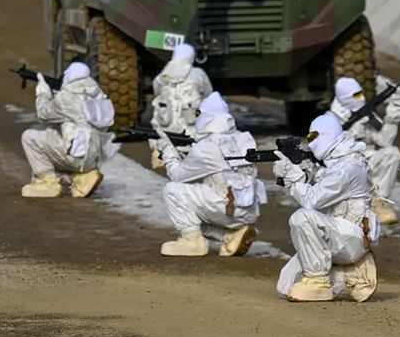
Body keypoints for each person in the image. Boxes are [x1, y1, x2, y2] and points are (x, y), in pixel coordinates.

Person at [273, 114, 381, 302]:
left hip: (352, 236)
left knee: (302, 217)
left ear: (328, 135)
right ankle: (351, 275)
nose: (311, 142)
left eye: (314, 136)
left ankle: (318, 282)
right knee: (286, 285)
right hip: (336, 233)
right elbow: (324, 185)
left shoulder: (347, 168)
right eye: (309, 138)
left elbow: (312, 200)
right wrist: (306, 172)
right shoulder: (336, 162)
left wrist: (294, 179)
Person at [156, 107, 263, 257]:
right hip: (249, 210)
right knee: (196, 208)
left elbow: (177, 175)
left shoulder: (208, 146)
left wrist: (168, 149)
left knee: (173, 190)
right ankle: (230, 235)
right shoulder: (242, 138)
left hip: (228, 208)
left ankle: (191, 242)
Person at [20, 62, 115, 198]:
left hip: (76, 155)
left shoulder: (67, 97)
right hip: (93, 159)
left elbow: (43, 114)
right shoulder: (99, 96)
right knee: (55, 134)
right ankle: (79, 178)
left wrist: (43, 93)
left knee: (30, 137)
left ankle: (47, 182)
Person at [326, 77, 400, 224]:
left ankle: (378, 203)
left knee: (392, 153)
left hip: (365, 162)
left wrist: (392, 117)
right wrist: (354, 131)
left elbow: (385, 141)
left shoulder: (362, 113)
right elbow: (329, 152)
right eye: (355, 95)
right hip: (342, 169)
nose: (361, 98)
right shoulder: (330, 120)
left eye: (361, 94)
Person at [149, 43, 213, 169]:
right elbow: (209, 95)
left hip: (167, 135)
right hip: (192, 133)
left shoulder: (162, 77)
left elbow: (156, 91)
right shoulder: (198, 74)